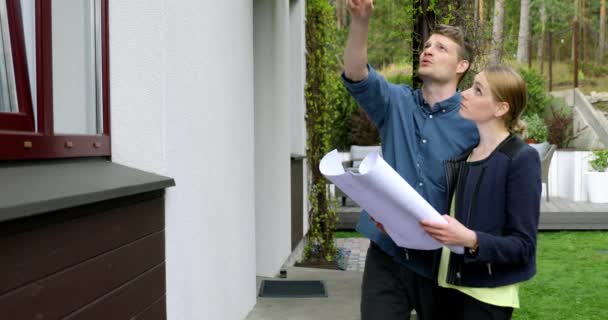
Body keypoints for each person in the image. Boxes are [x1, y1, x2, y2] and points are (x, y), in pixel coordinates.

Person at [342, 0, 479, 319]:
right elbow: (355, 74)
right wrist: (360, 22)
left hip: (442, 259)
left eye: (441, 48)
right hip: (387, 253)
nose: (428, 50)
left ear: (462, 66)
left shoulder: (474, 122)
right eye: (427, 45)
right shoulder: (396, 103)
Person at [420, 66, 542, 320]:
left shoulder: (521, 158)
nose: (464, 94)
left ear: (500, 108)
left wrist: (471, 239)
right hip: (443, 287)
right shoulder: (463, 157)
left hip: (486, 297)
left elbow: (523, 246)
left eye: (477, 90)